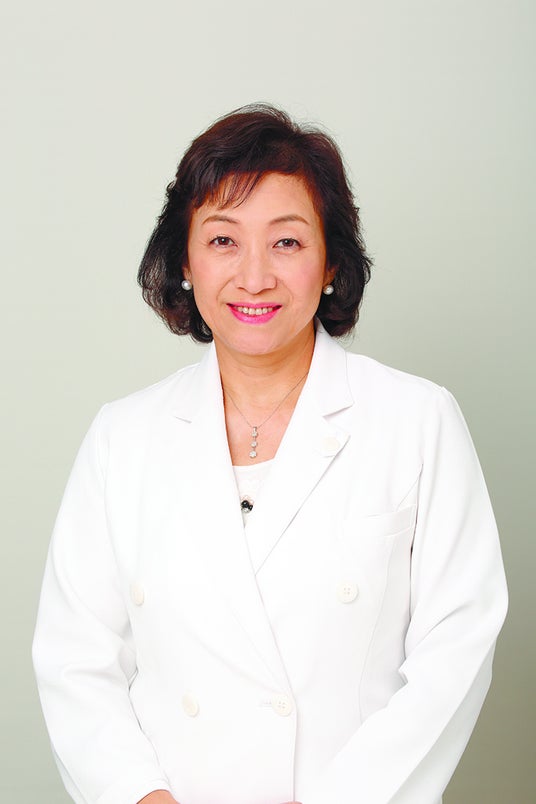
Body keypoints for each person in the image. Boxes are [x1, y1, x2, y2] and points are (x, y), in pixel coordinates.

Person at [33, 104, 507, 804]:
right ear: (185, 261)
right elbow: (75, 660)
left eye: (286, 242)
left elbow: (457, 650)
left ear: (330, 262)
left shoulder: (416, 420)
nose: (254, 277)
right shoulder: (122, 438)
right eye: (223, 240)